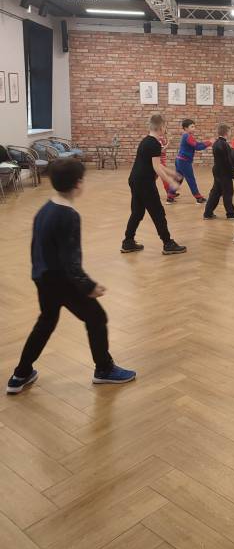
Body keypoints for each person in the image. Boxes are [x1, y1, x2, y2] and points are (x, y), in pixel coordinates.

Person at [7, 159, 136, 394]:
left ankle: (20, 374)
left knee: (46, 322)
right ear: (78, 184)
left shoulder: (45, 209)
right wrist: (88, 286)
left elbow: (37, 249)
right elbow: (70, 261)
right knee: (97, 317)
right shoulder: (69, 215)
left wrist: (40, 275)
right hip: (61, 281)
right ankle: (104, 369)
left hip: (42, 277)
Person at [122, 114, 186, 255]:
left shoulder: (146, 141)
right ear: (161, 127)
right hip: (144, 182)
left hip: (135, 180)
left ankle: (128, 242)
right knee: (158, 213)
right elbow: (156, 167)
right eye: (165, 126)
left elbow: (156, 165)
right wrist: (171, 182)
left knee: (137, 212)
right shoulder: (154, 144)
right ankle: (168, 243)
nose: (166, 129)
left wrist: (173, 173)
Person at [204, 124, 234, 220]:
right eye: (230, 131)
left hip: (217, 171)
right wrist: (233, 175)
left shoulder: (216, 143)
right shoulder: (225, 144)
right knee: (228, 192)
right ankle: (230, 213)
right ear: (226, 133)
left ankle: (207, 213)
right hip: (224, 173)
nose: (231, 133)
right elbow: (227, 162)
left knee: (215, 193)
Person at [175, 119, 213, 203]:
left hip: (179, 160)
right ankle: (198, 197)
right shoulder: (187, 136)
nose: (194, 128)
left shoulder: (187, 136)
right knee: (190, 179)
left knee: (178, 179)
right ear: (186, 128)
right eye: (192, 127)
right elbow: (197, 147)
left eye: (194, 126)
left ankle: (170, 195)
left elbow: (197, 144)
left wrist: (207, 142)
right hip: (184, 162)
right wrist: (209, 142)